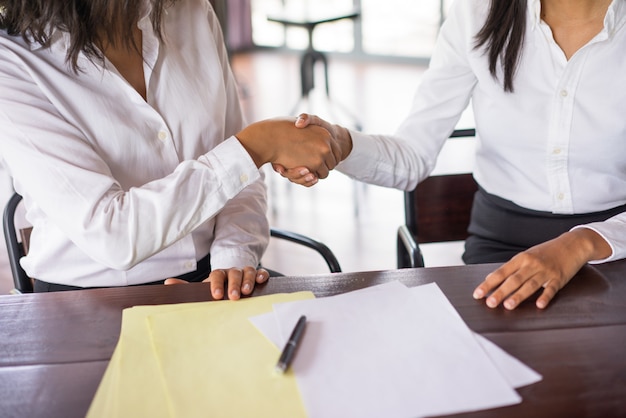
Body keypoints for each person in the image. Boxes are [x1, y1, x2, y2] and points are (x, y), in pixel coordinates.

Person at [276, 0, 626, 310]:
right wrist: (341, 145)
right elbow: (411, 155)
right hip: (501, 250)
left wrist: (582, 242)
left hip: (615, 245)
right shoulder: (477, 14)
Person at [0, 0, 341, 298]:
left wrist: (233, 259)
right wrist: (256, 146)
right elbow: (111, 233)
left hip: (212, 279)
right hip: (87, 303)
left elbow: (241, 180)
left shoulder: (192, 13)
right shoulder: (12, 60)